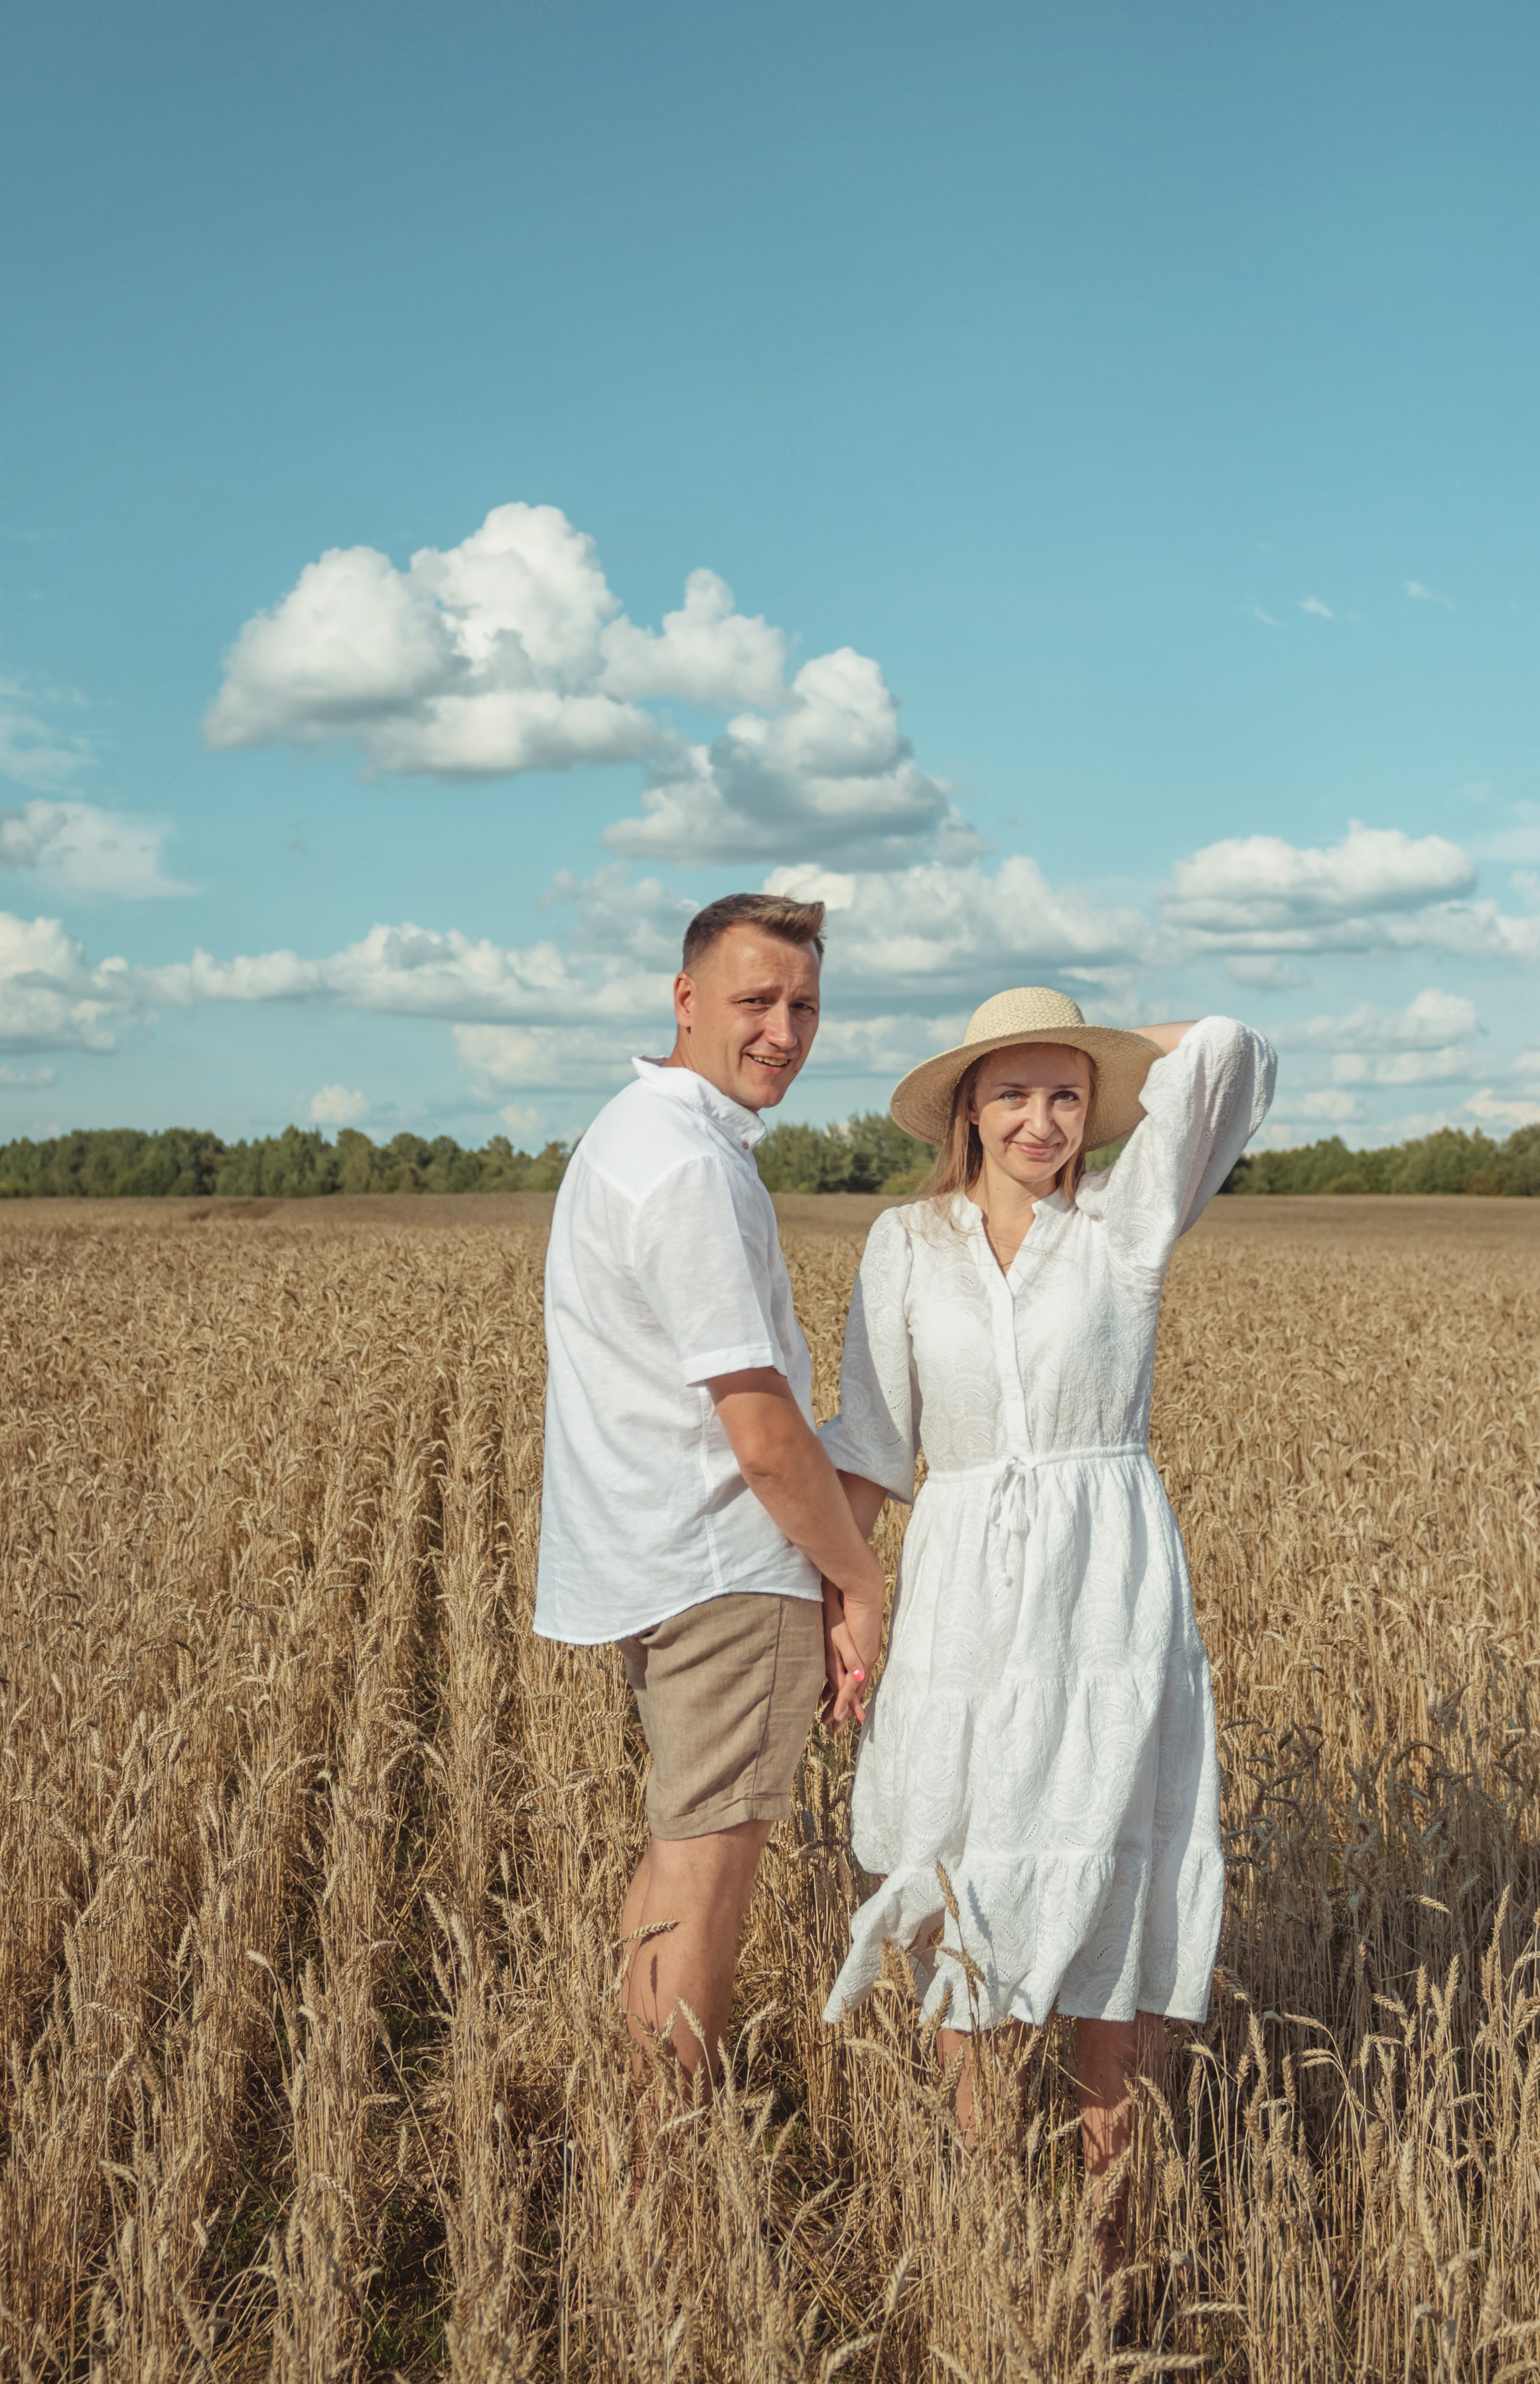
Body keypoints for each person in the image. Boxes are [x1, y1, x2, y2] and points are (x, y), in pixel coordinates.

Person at [816, 987, 1276, 2276]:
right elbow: (863, 1440)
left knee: (1105, 1890)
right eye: (1008, 1092)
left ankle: (1108, 2247)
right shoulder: (904, 1245)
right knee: (958, 1871)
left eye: (1065, 1093)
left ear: (1092, 1111)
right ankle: (977, 2215)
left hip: (1104, 1591)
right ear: (965, 1108)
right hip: (963, 1583)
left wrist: (1133, 1040)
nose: (1038, 1119)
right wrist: (844, 1603)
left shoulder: (1123, 1228)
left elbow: (1234, 1052)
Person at [534, 890, 886, 2095]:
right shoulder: (690, 1168)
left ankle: (635, 2122)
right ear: (686, 1003)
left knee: (679, 1852)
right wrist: (858, 1578)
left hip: (652, 1560)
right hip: (723, 1568)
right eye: (755, 1001)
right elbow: (763, 1433)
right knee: (707, 1875)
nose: (783, 1030)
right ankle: (665, 2171)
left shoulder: (633, 1135)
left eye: (804, 1006)